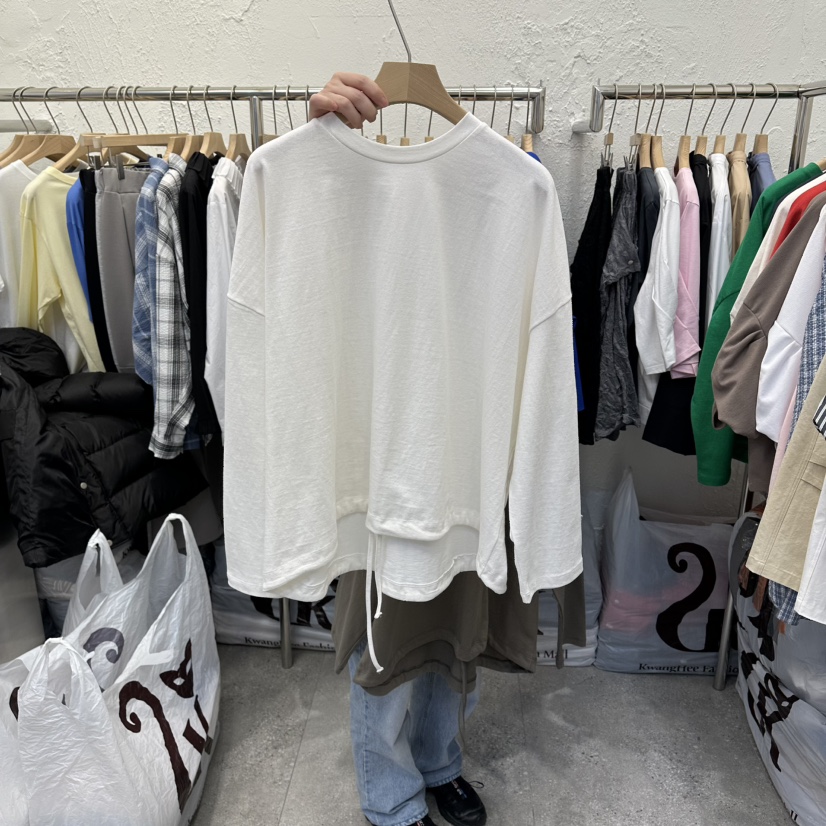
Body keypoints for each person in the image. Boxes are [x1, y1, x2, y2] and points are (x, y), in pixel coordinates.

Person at [308, 72, 490, 826]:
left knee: (454, 623)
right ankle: (390, 795)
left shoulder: (501, 183)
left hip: (463, 448)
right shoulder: (333, 177)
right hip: (375, 453)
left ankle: (441, 761)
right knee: (382, 636)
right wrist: (316, 135)